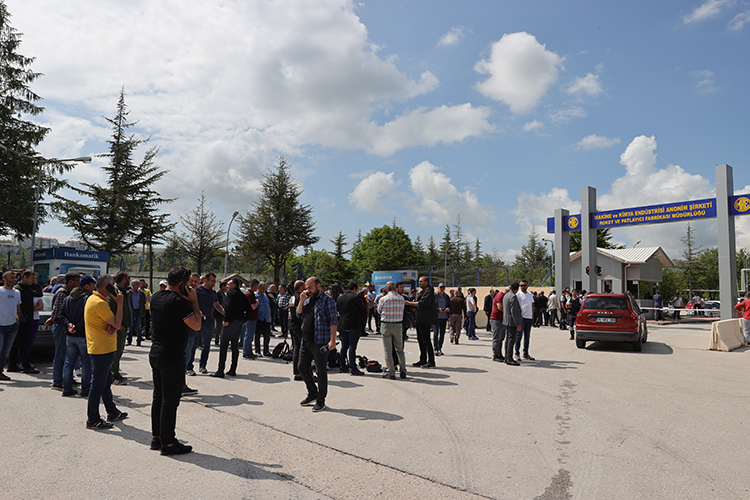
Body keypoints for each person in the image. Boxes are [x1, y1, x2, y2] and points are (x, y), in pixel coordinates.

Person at [149, 266, 201, 455]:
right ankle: (169, 443)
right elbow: (196, 325)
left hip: (156, 352)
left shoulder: (156, 296)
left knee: (158, 397)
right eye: (188, 284)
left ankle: (157, 437)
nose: (191, 287)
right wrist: (194, 302)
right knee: (170, 401)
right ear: (181, 284)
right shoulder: (179, 302)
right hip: (172, 356)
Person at [84, 274, 128, 429]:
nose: (114, 288)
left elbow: (110, 323)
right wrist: (120, 303)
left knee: (105, 382)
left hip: (100, 346)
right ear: (106, 286)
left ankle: (112, 411)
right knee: (98, 384)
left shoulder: (94, 299)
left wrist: (112, 325)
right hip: (102, 349)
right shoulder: (100, 303)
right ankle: (93, 419)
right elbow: (117, 323)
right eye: (112, 286)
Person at [296, 276, 337, 412]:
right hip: (306, 340)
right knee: (302, 367)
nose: (308, 290)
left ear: (319, 286)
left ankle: (321, 400)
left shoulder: (328, 300)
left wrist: (332, 340)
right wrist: (301, 301)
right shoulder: (307, 300)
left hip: (320, 341)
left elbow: (333, 321)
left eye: (310, 287)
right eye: (306, 288)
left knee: (320, 371)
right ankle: (312, 392)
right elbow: (298, 314)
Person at [59, 275, 96, 397]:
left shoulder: (68, 298)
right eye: (92, 285)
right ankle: (85, 389)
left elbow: (60, 315)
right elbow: (87, 316)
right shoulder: (88, 298)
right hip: (83, 335)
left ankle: (66, 388)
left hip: (70, 335)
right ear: (87, 286)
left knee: (69, 362)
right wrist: (76, 327)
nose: (94, 288)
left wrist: (69, 325)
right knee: (86, 363)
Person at [212, 278, 247, 378]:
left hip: (230, 323)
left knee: (223, 346)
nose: (227, 286)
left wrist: (226, 320)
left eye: (229, 284)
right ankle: (233, 369)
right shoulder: (242, 295)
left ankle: (220, 370)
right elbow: (249, 309)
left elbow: (228, 307)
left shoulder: (231, 294)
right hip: (238, 323)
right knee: (235, 346)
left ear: (234, 285)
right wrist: (244, 320)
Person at [7, 271, 41, 375]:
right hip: (21, 320)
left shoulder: (28, 288)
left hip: (27, 319)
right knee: (22, 344)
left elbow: (38, 294)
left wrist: (35, 284)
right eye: (32, 278)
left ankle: (12, 365)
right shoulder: (18, 289)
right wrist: (21, 318)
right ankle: (26, 366)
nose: (33, 280)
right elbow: (17, 306)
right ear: (25, 277)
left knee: (17, 344)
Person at [377, 281, 407, 379]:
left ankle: (391, 372)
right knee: (400, 349)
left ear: (386, 289)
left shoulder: (383, 299)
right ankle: (403, 370)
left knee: (388, 351)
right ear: (395, 288)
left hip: (386, 325)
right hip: (398, 325)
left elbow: (379, 311)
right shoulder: (401, 298)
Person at [195, 273, 224, 374]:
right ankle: (189, 366)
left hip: (210, 320)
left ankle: (203, 366)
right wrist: (197, 311)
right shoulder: (198, 290)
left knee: (206, 345)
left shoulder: (213, 292)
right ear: (206, 280)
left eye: (214, 281)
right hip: (198, 320)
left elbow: (217, 305)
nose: (213, 283)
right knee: (194, 344)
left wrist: (225, 313)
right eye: (212, 281)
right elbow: (193, 303)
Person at [336, 281, 367, 375]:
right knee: (352, 346)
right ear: (354, 289)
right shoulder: (355, 297)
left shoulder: (340, 297)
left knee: (344, 346)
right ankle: (353, 368)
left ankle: (342, 366)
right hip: (354, 324)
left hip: (342, 324)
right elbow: (362, 310)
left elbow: (338, 309)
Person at [407, 276, 437, 368]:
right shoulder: (423, 291)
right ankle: (423, 359)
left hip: (425, 320)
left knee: (426, 341)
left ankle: (431, 361)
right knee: (420, 340)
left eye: (421, 281)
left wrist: (409, 303)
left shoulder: (429, 291)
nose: (419, 283)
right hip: (420, 319)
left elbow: (423, 303)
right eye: (419, 281)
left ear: (426, 282)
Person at [108, 271, 131, 385]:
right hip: (118, 327)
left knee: (119, 351)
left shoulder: (122, 291)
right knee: (116, 352)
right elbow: (111, 308)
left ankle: (115, 372)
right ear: (123, 279)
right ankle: (113, 375)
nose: (129, 280)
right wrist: (117, 324)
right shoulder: (115, 291)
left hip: (122, 326)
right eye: (128, 278)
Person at [0, 271, 21, 381]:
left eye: (15, 277)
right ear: (4, 280)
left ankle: (0, 372)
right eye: (12, 278)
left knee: (6, 351)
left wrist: (18, 318)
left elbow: (17, 307)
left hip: (12, 326)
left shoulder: (17, 292)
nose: (14, 279)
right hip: (0, 325)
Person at [514, 280, 535, 361]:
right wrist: (518, 316)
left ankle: (526, 353)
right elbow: (516, 306)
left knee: (527, 337)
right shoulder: (518, 294)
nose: (523, 287)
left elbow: (532, 304)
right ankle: (517, 353)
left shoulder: (530, 294)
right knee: (519, 336)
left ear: (527, 286)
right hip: (521, 318)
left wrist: (532, 314)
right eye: (521, 285)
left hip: (529, 318)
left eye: (524, 285)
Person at [502, 282, 522, 366]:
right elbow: (514, 312)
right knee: (511, 341)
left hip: (506, 321)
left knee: (508, 340)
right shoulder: (513, 297)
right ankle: (509, 358)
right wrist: (518, 324)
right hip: (512, 322)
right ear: (517, 289)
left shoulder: (506, 295)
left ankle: (507, 357)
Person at [288, 280, 305, 381]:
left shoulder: (293, 296)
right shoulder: (300, 297)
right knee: (303, 349)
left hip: (292, 325)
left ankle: (297, 372)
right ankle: (303, 372)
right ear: (301, 288)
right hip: (298, 325)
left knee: (296, 348)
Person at [242, 279, 259, 359]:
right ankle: (246, 352)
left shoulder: (250, 294)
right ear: (255, 286)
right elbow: (253, 307)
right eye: (257, 286)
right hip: (250, 318)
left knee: (250, 336)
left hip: (252, 318)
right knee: (248, 336)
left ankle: (249, 351)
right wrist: (257, 302)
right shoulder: (249, 295)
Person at [490, 286, 507, 362]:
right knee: (497, 338)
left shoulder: (504, 296)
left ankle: (499, 354)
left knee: (501, 338)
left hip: (502, 319)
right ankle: (496, 355)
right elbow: (500, 307)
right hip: (496, 319)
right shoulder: (500, 296)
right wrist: (508, 312)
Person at [126, 279, 146, 346]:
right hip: (131, 311)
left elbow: (143, 303)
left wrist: (143, 313)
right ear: (132, 285)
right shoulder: (128, 293)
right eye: (136, 284)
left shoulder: (141, 293)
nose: (138, 285)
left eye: (138, 284)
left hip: (138, 311)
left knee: (139, 327)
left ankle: (139, 341)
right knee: (130, 326)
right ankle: (129, 341)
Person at [255, 282, 272, 357]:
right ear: (258, 288)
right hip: (258, 318)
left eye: (265, 288)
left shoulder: (265, 295)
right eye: (263, 288)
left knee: (267, 336)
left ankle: (266, 351)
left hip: (266, 318)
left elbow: (268, 307)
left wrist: (270, 317)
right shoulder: (255, 295)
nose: (264, 289)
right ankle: (257, 351)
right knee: (257, 336)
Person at [433, 283, 450, 356]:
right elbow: (431, 306)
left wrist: (448, 308)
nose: (442, 289)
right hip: (436, 317)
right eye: (441, 287)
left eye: (443, 287)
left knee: (442, 334)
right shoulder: (434, 296)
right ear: (438, 288)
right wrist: (438, 310)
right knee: (436, 333)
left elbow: (450, 305)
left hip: (444, 317)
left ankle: (440, 348)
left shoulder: (446, 296)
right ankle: (435, 348)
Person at [214, 280, 227, 346]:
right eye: (226, 286)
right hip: (218, 313)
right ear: (222, 286)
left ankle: (221, 340)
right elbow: (217, 304)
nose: (227, 287)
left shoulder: (224, 293)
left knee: (222, 327)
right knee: (218, 327)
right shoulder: (218, 293)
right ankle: (216, 341)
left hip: (223, 312)